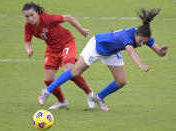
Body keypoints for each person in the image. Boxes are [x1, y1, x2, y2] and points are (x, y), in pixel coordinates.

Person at [39, 8, 168, 111]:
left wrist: (162, 51)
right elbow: (131, 51)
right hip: (97, 45)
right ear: (135, 34)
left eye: (144, 43)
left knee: (121, 81)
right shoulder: (127, 35)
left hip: (112, 52)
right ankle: (47, 91)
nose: (141, 44)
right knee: (75, 72)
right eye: (140, 41)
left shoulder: (145, 36)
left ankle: (99, 97)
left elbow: (159, 52)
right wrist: (140, 64)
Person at [22, 2, 95, 109]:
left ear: (37, 12)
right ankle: (62, 101)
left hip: (67, 43)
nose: (30, 18)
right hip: (52, 50)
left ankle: (89, 93)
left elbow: (68, 17)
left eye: (32, 15)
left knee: (69, 71)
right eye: (27, 16)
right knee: (48, 79)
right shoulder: (28, 26)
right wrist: (28, 49)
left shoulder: (48, 19)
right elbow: (27, 42)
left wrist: (81, 30)